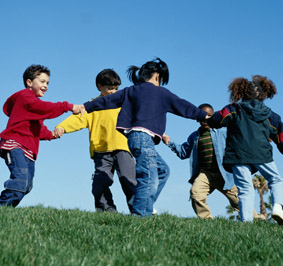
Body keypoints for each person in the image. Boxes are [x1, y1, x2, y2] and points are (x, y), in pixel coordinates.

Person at [82, 57, 210, 217]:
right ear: (157, 76)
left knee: (163, 170)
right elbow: (183, 106)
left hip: (137, 139)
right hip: (142, 138)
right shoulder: (160, 93)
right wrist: (204, 116)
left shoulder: (131, 91)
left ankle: (141, 203)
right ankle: (140, 215)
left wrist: (86, 106)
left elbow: (108, 100)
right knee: (148, 174)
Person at [0, 64, 84, 207]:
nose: (46, 85)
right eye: (42, 81)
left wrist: (51, 134)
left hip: (29, 150)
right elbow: (44, 108)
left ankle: (6, 211)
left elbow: (38, 128)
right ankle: (3, 209)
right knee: (20, 181)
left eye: (48, 83)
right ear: (29, 82)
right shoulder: (25, 97)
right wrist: (68, 106)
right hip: (15, 144)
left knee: (26, 186)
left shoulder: (33, 105)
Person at [54, 69, 136, 213]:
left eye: (116, 89)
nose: (113, 92)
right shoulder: (94, 105)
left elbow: (141, 119)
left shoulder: (123, 104)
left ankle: (139, 212)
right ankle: (107, 213)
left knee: (129, 181)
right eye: (110, 88)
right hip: (101, 152)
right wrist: (61, 127)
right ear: (100, 86)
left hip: (123, 148)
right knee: (99, 184)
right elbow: (77, 119)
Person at [207, 75, 283, 224]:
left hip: (238, 155)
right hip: (262, 154)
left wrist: (208, 119)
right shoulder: (271, 116)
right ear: (264, 94)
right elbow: (281, 137)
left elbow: (218, 120)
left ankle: (246, 223)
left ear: (241, 93)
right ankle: (277, 207)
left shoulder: (234, 109)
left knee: (245, 188)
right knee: (275, 179)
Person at [162, 103, 239, 219]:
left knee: (238, 201)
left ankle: (256, 219)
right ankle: (208, 221)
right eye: (203, 116)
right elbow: (183, 152)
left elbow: (239, 141)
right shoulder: (194, 136)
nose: (207, 119)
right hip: (206, 174)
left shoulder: (223, 131)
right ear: (197, 118)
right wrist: (169, 142)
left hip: (224, 174)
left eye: (210, 115)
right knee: (196, 194)